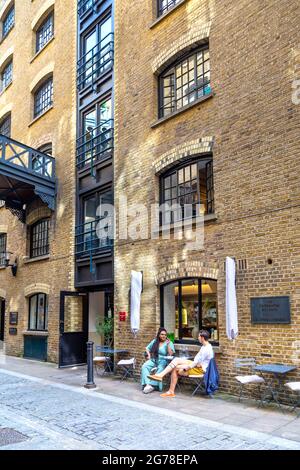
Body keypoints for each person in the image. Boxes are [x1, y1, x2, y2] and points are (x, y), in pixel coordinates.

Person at [148, 330, 213, 397]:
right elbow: (197, 362)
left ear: (202, 338)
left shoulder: (207, 349)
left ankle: (170, 390)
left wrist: (185, 368)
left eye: (199, 336)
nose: (198, 338)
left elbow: (197, 364)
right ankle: (160, 376)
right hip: (195, 365)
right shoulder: (205, 346)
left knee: (175, 368)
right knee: (176, 360)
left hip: (198, 369)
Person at [141, 327, 175, 394]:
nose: (164, 336)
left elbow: (171, 354)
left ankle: (153, 385)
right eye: (162, 334)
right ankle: (148, 384)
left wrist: (168, 345)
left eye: (165, 335)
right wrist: (149, 355)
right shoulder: (155, 341)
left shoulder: (169, 342)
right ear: (159, 335)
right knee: (144, 366)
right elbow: (147, 348)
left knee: (160, 368)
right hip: (154, 359)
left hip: (163, 361)